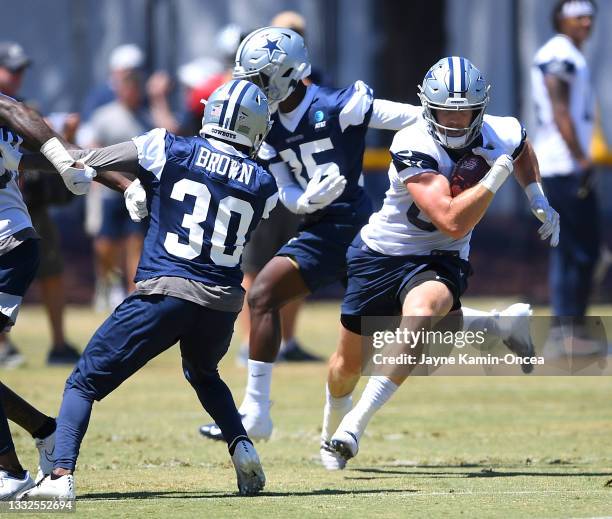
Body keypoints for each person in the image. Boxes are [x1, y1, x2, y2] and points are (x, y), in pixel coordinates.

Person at [13, 79, 274, 499]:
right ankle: (242, 448)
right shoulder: (265, 183)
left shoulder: (169, 146)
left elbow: (86, 159)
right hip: (222, 305)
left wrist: (21, 160)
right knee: (204, 373)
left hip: (166, 290)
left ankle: (60, 478)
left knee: (82, 383)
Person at [321, 57, 560, 469]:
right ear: (426, 107)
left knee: (421, 313)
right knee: (345, 367)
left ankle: (354, 427)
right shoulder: (412, 141)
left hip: (440, 257)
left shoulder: (499, 131)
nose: (453, 119)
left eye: (463, 109)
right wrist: (491, 180)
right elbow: (450, 219)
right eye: (444, 110)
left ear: (480, 108)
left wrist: (536, 194)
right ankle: (328, 434)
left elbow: (521, 147)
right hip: (381, 253)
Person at [198, 26, 423, 442]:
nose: (253, 89)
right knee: (263, 293)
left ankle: (498, 326)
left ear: (289, 72)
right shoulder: (265, 124)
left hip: (361, 230)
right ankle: (255, 412)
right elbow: (285, 188)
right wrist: (304, 202)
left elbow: (415, 118)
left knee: (404, 324)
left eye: (260, 79)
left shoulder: (340, 104)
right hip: (320, 227)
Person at [0, 91, 131, 498]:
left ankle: (10, 472)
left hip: (7, 246)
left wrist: (125, 186)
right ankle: (45, 430)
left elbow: (21, 114)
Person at [0, 42, 79, 366]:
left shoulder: (24, 107)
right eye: (12, 69)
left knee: (51, 270)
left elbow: (28, 156)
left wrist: (68, 150)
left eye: (22, 69)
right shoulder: (13, 109)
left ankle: (58, 344)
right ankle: (4, 347)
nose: (18, 76)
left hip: (25, 202)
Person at [531, 0, 599, 353]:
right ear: (561, 19)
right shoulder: (558, 53)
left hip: (566, 163)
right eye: (579, 17)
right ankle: (566, 334)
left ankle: (572, 332)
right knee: (576, 251)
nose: (586, 22)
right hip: (563, 164)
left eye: (590, 16)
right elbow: (559, 109)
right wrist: (580, 158)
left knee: (579, 250)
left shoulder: (571, 53)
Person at [84, 63, 175, 311]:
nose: (132, 91)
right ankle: (106, 285)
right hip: (108, 188)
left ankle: (131, 291)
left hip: (138, 190)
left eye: (136, 86)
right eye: (128, 86)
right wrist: (94, 189)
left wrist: (159, 98)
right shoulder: (105, 115)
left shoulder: (147, 116)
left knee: (136, 240)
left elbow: (172, 133)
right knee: (105, 243)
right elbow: (93, 150)